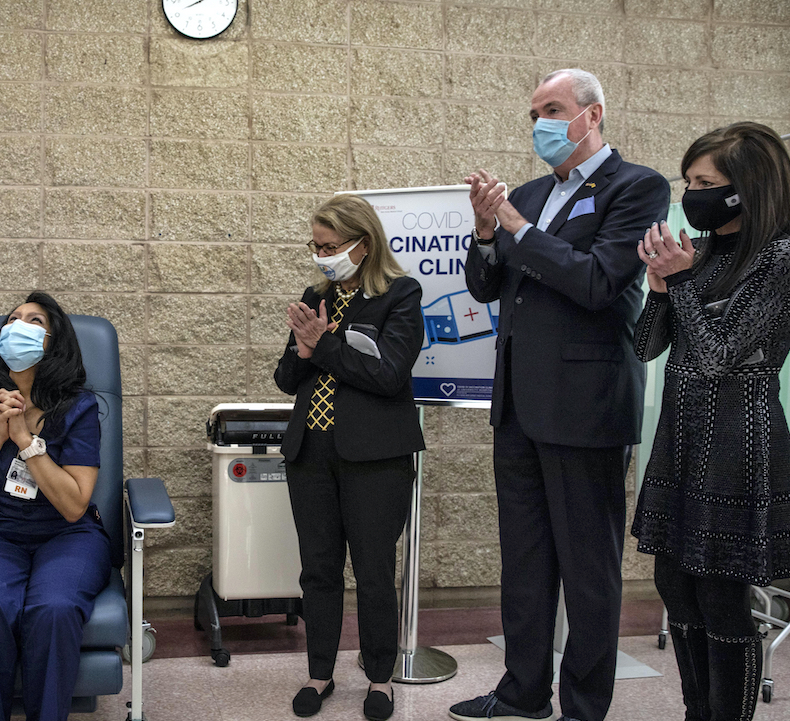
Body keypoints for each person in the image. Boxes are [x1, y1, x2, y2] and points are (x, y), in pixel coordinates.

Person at [449, 69, 670, 721]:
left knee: (588, 571)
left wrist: (514, 222)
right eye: (534, 111)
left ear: (592, 114)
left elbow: (600, 282)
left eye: (553, 108)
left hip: (587, 406)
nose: (540, 122)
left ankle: (583, 704)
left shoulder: (637, 187)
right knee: (524, 561)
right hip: (517, 404)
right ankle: (523, 690)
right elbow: (489, 287)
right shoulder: (529, 193)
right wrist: (488, 232)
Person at [632, 122, 790, 721]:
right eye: (688, 180)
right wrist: (661, 289)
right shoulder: (703, 254)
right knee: (677, 588)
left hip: (740, 442)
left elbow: (721, 355)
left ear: (746, 187)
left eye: (705, 182)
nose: (692, 192)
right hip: (683, 436)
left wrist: (680, 283)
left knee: (722, 599)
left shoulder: (779, 256)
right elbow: (650, 346)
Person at [274, 193, 426, 721]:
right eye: (315, 246)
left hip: (375, 459)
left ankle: (380, 679)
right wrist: (301, 347)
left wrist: (326, 346)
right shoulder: (314, 294)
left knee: (374, 570)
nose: (320, 256)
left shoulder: (401, 296)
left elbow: (388, 375)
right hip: (310, 452)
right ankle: (319, 673)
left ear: (364, 243)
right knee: (318, 570)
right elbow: (286, 379)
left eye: (329, 246)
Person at [0, 291, 110, 721]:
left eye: (34, 320)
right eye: (13, 319)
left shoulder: (79, 405)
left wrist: (25, 440)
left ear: (54, 341)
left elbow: (74, 505)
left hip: (67, 535)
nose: (18, 326)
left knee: (54, 608)